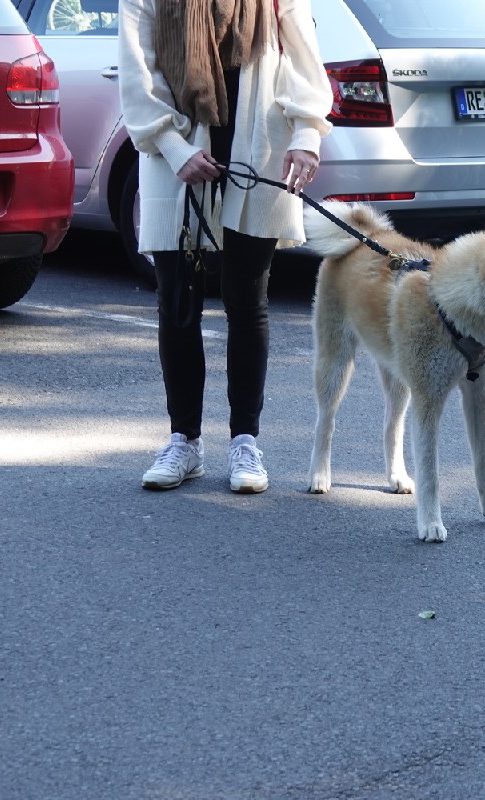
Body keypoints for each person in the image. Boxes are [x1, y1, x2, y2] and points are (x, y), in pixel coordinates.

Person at [117, 0, 332, 493]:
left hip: (258, 145)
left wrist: (306, 133)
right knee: (177, 302)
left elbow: (303, 57)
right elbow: (138, 70)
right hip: (175, 151)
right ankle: (184, 441)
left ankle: (245, 442)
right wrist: (174, 147)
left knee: (247, 300)